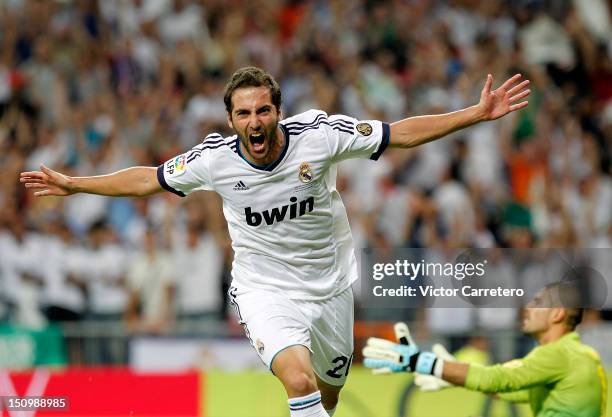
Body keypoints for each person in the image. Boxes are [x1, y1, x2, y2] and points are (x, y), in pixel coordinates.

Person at [21, 66, 530, 417]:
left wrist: (473, 114)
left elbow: (400, 133)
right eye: (243, 115)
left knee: (327, 396)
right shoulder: (213, 159)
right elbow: (148, 179)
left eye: (262, 111)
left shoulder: (320, 135)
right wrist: (75, 184)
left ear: (277, 110)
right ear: (230, 120)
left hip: (330, 287)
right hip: (264, 287)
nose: (254, 123)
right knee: (300, 383)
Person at [363, 283, 607, 417]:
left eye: (538, 302)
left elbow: (496, 379)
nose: (528, 308)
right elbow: (506, 389)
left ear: (558, 313)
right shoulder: (577, 355)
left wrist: (423, 362)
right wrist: (453, 376)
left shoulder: (557, 354)